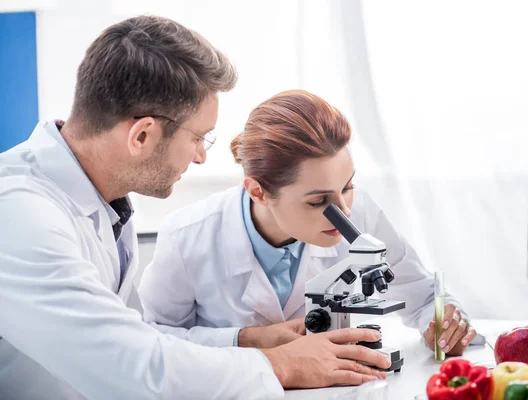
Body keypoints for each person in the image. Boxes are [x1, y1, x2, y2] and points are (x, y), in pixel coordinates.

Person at [0, 16, 391, 400]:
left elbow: (135, 335)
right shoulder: (20, 215)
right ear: (142, 135)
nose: (202, 156)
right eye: (199, 137)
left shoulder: (101, 204)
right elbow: (135, 368)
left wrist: (249, 340)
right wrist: (284, 365)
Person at [138, 90, 478, 358]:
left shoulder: (360, 214)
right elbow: (152, 341)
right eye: (318, 202)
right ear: (258, 191)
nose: (343, 212)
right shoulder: (188, 237)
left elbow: (422, 296)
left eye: (347, 187)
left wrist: (446, 323)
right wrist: (247, 340)